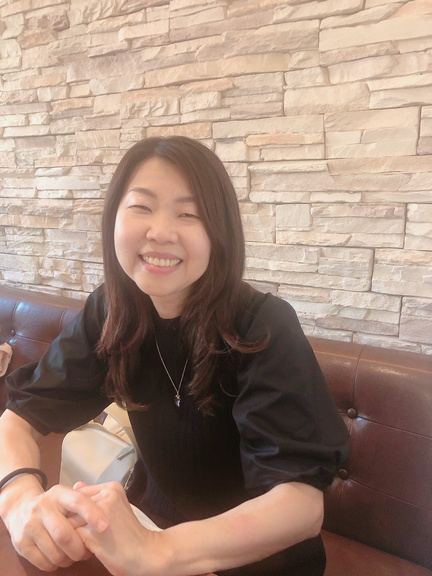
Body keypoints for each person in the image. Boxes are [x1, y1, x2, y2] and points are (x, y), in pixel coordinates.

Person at [0, 136, 350, 576]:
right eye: (141, 207)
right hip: (155, 525)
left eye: (189, 214)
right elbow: (18, 417)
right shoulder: (111, 312)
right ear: (113, 219)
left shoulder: (261, 325)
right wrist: (18, 501)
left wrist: (157, 550)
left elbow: (300, 506)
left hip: (258, 562)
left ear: (219, 233)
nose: (161, 232)